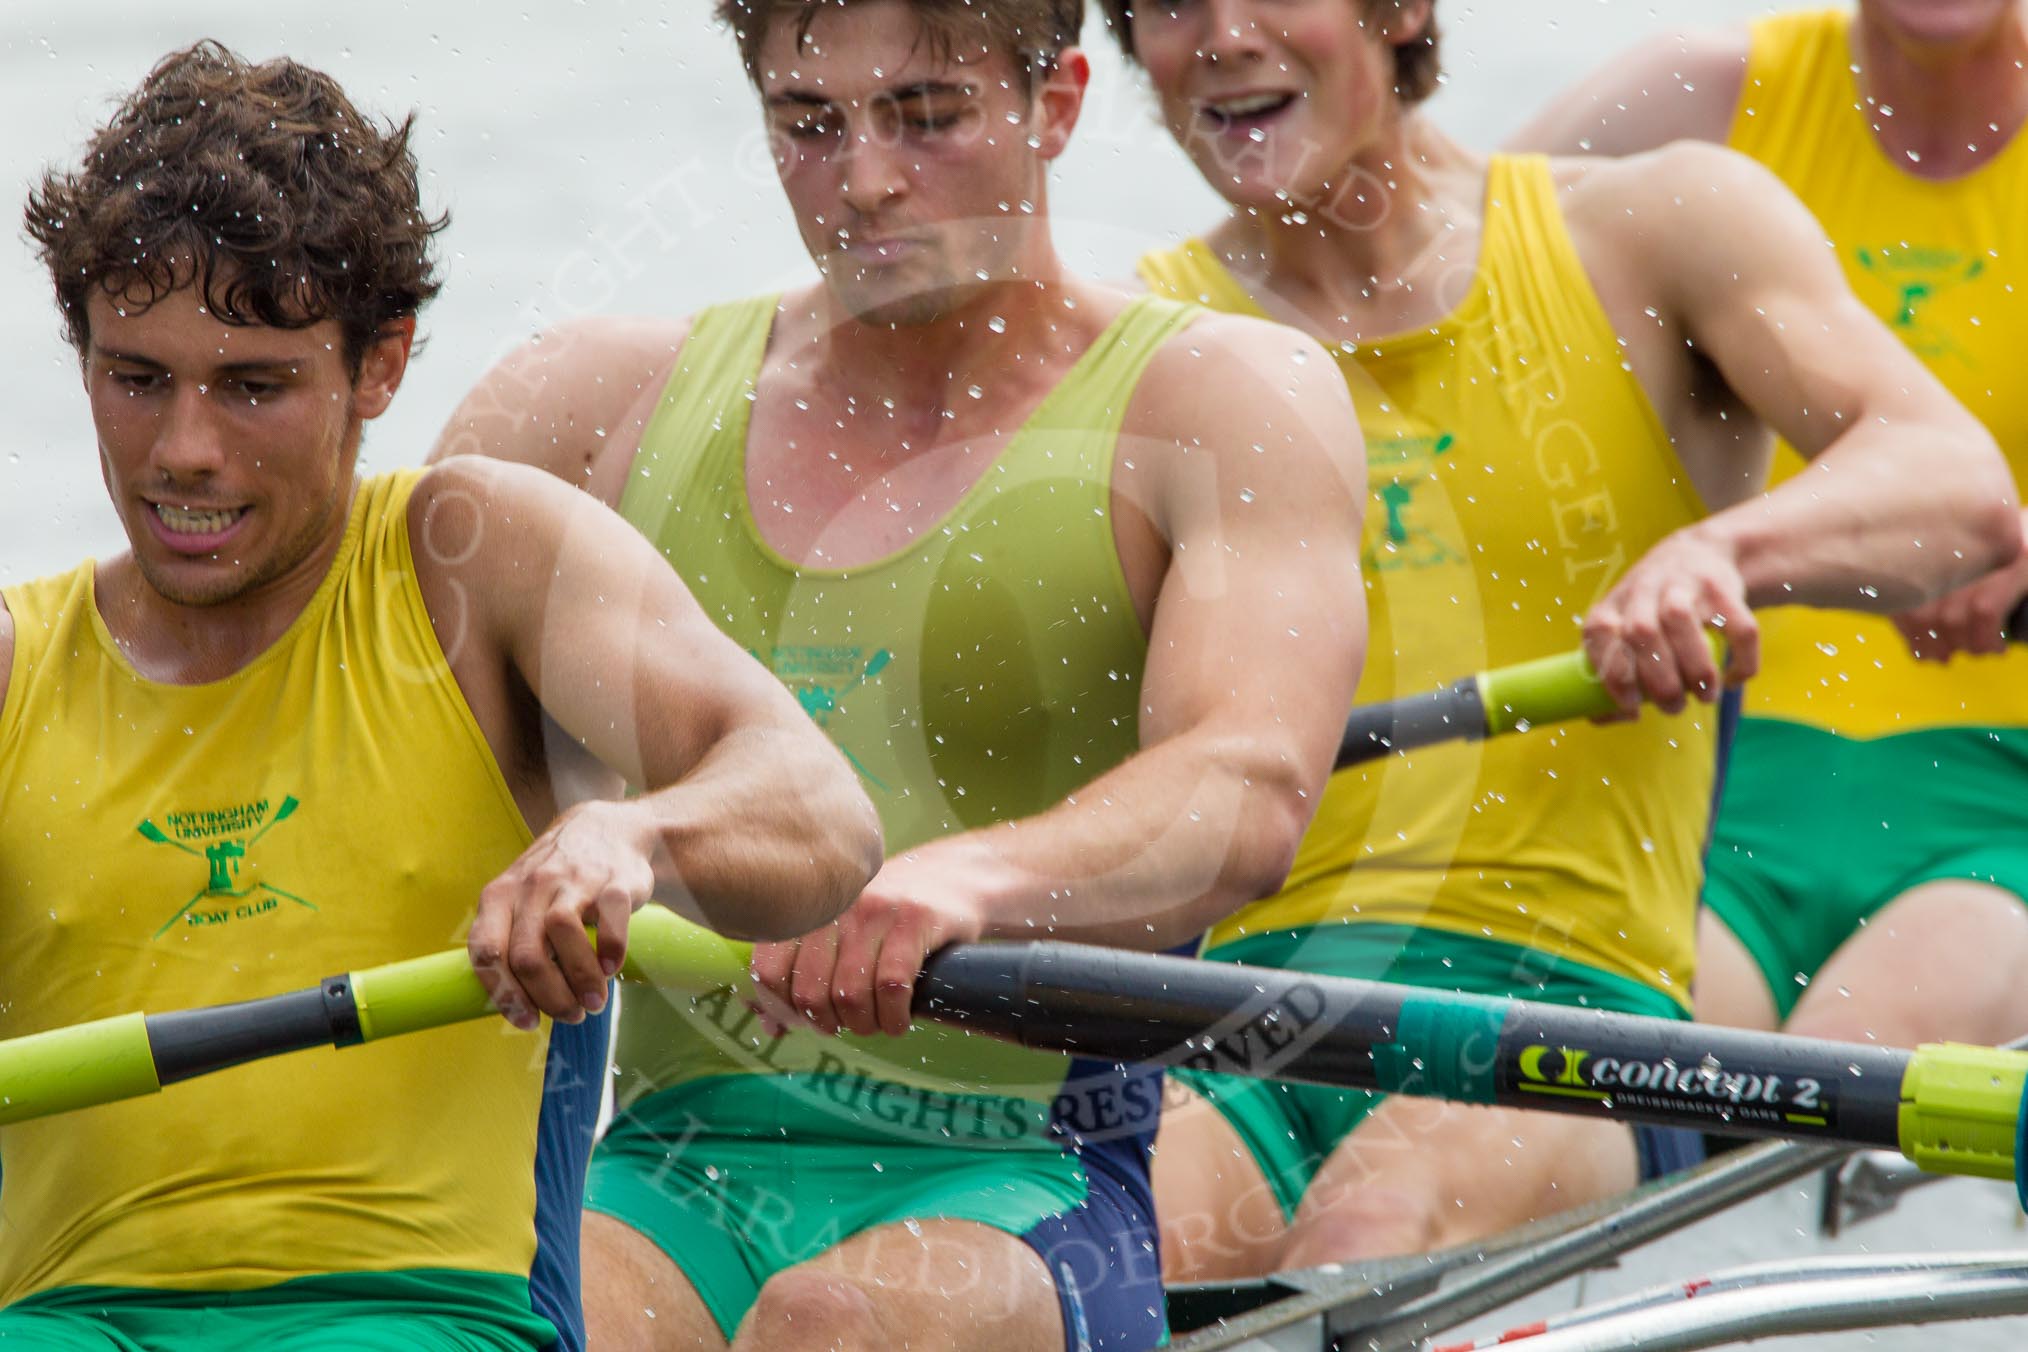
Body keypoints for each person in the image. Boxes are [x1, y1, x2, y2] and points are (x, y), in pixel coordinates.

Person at [436, 0, 1368, 1345]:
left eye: (926, 117)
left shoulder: (1218, 399)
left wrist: (962, 876)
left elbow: (1249, 790)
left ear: (1056, 106)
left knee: (836, 1329)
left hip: (1024, 1174)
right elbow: (360, 737)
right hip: (661, 1168)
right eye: (809, 124)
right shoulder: (581, 412)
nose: (865, 181)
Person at [1093, 0, 2020, 1280]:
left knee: (1370, 1231)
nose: (1221, 33)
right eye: (1170, 4)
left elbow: (1954, 486)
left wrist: (1720, 552)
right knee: (1088, 1249)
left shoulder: (1655, 226)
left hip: (1571, 1008)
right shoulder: (1137, 348)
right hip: (1257, 1004)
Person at [0, 41, 880, 1352]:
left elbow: (819, 817)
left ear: (381, 365)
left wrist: (623, 836)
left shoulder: (476, 566)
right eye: (138, 380)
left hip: (416, 1314)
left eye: (253, 387)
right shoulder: (17, 663)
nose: (185, 451)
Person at [1513, 2, 2028, 1054]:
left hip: (2001, 805)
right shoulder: (1690, 102)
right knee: (1623, 1071)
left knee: (1848, 1064)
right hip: (1720, 794)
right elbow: (1400, 302)